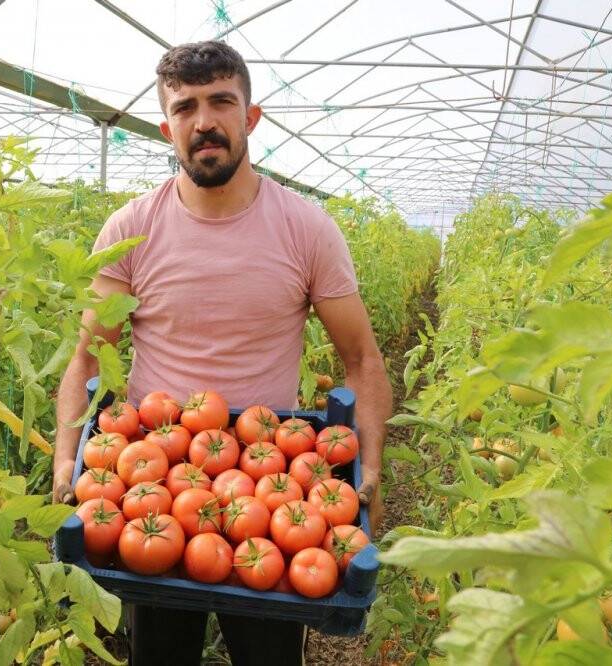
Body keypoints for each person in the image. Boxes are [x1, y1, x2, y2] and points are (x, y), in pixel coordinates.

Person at [52, 40, 392, 666]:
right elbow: (87, 358)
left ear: (250, 116)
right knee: (160, 654)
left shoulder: (305, 228)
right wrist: (64, 458)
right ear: (167, 126)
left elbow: (363, 360)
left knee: (267, 650)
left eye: (220, 102)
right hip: (150, 473)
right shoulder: (130, 229)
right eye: (185, 108)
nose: (203, 121)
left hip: (273, 482)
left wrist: (368, 464)